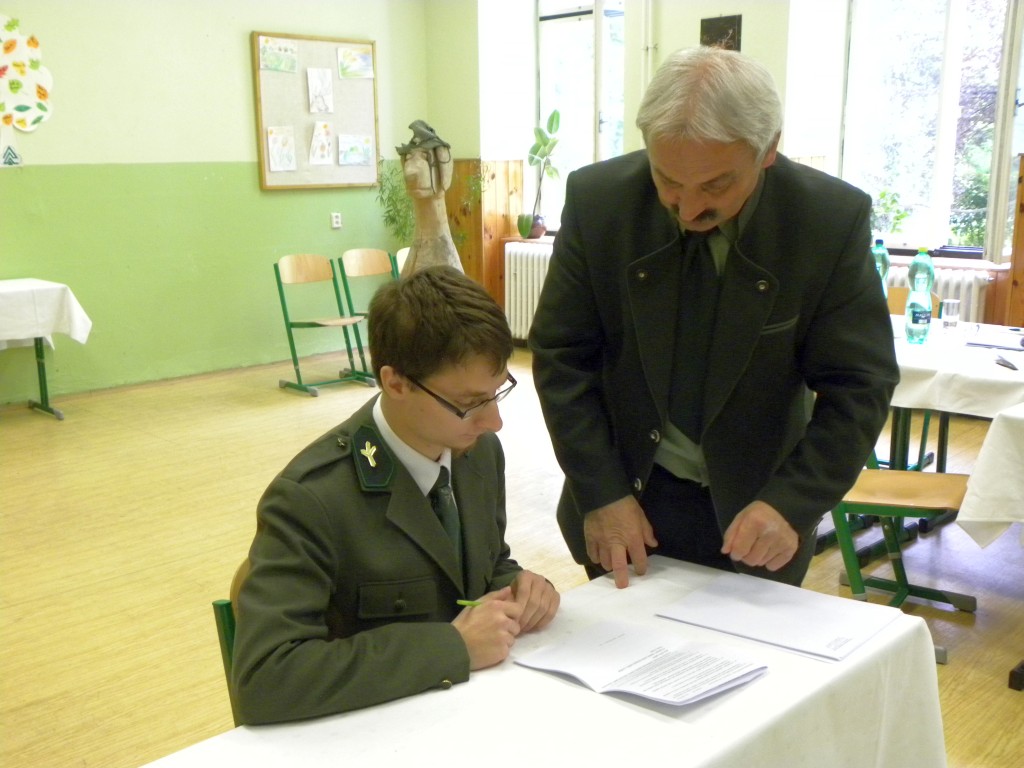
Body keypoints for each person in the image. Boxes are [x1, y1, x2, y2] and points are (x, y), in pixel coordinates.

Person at [528, 46, 899, 590]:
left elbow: (860, 384)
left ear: (768, 149)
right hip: (626, 504)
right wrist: (601, 492)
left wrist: (792, 501)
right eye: (667, 179)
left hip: (760, 512)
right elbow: (563, 358)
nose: (687, 208)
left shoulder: (827, 220)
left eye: (716, 185)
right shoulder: (598, 201)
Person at [233, 266, 560, 725]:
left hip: (472, 714)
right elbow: (266, 678)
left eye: (497, 392)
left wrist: (519, 584)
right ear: (396, 383)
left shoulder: (478, 453)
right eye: (469, 403)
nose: (494, 422)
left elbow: (480, 565)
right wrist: (452, 647)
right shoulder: (311, 499)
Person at [397, 120, 463, 275]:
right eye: (408, 158)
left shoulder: (442, 155)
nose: (410, 171)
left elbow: (444, 182)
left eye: (425, 157)